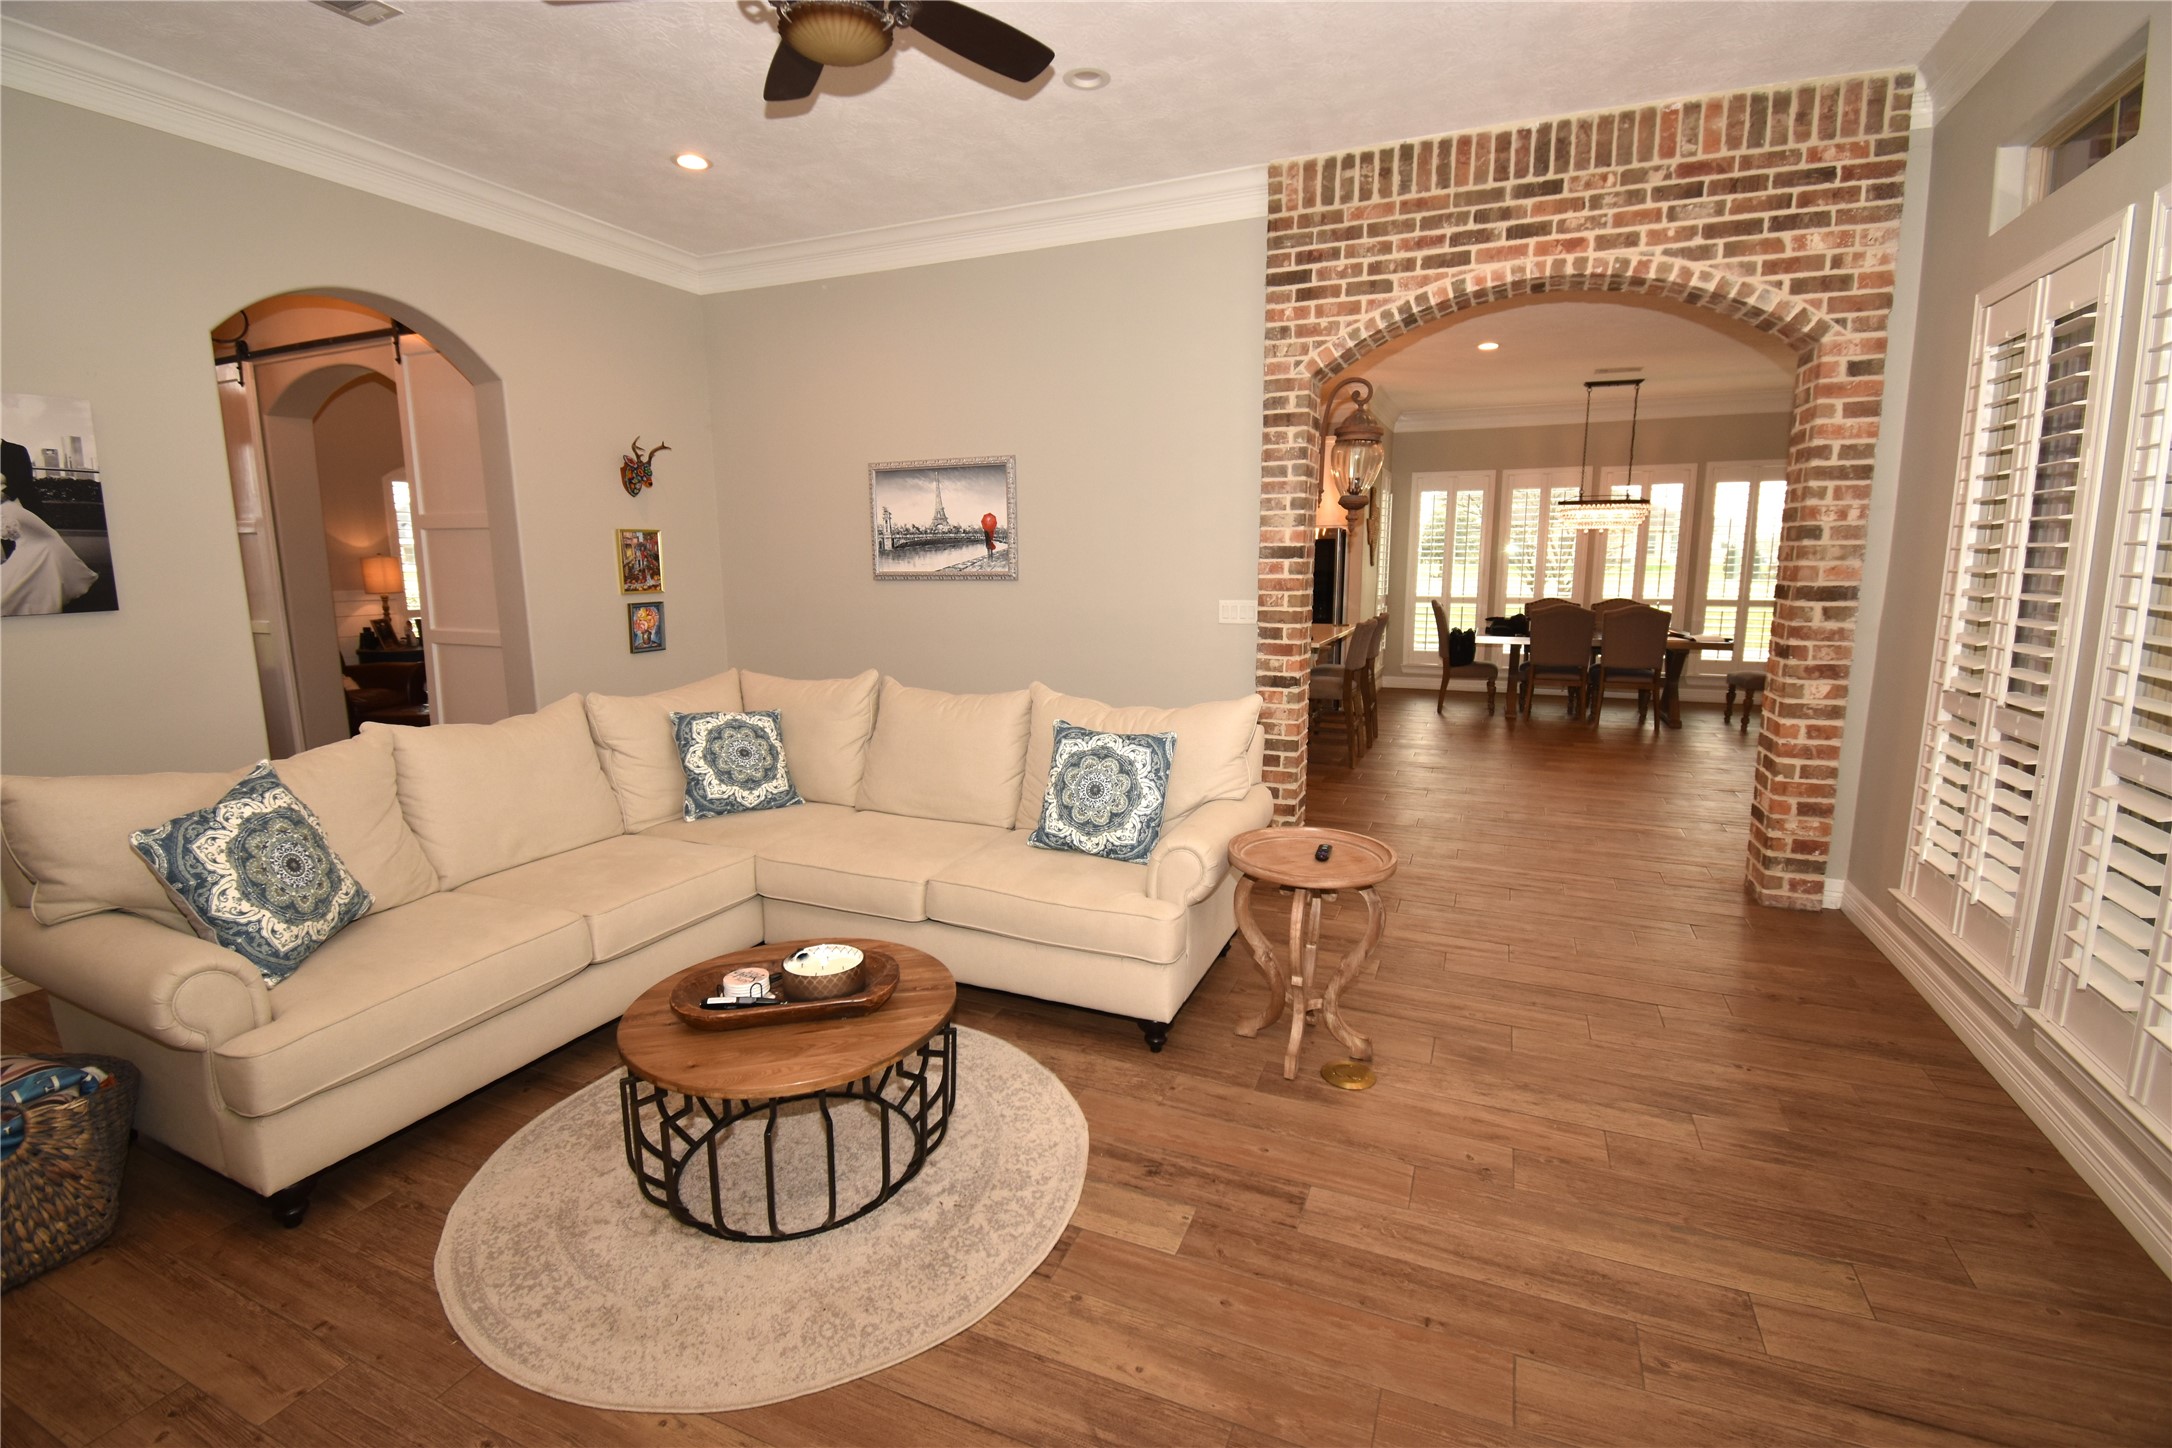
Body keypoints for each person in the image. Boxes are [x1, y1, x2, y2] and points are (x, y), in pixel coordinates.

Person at [1, 439, 98, 616]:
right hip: (6, 510)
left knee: (46, 540)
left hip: (22, 506)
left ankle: (51, 584)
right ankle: (23, 590)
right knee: (29, 546)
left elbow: (24, 479)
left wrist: (4, 494)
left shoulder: (15, 450)